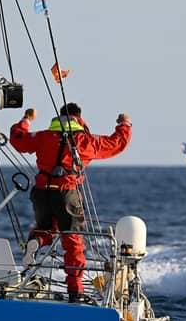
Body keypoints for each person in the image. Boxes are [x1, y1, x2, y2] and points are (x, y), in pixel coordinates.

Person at [10, 103, 132, 302]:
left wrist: (27, 120)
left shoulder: (43, 137)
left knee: (46, 228)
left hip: (41, 192)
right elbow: (116, 143)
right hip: (67, 193)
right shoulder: (85, 141)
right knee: (72, 241)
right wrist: (124, 124)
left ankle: (37, 241)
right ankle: (75, 291)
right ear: (79, 118)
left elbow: (18, 139)